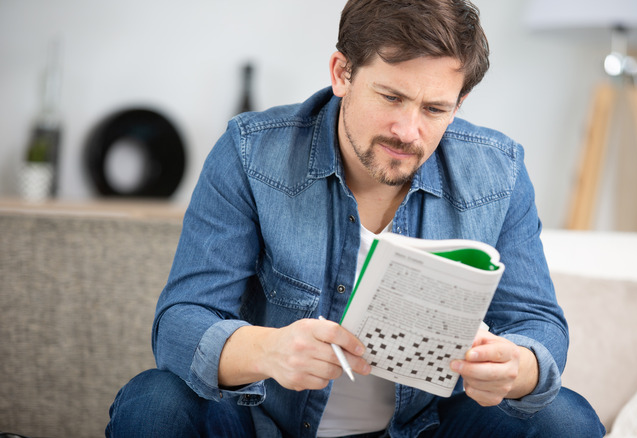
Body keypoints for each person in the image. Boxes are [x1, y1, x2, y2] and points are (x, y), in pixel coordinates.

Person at [107, 0, 605, 436]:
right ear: (342, 72)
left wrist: (516, 367)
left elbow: (537, 323)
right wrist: (269, 351)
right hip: (264, 424)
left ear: (459, 105)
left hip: (428, 427)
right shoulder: (251, 153)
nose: (407, 131)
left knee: (566, 418)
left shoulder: (500, 172)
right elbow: (179, 323)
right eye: (391, 97)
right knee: (155, 402)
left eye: (434, 108)